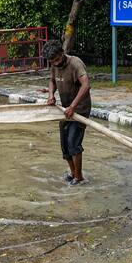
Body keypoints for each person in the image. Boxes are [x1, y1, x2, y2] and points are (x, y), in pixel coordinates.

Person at [44, 39, 91, 186]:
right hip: (64, 110)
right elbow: (52, 81)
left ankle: (79, 178)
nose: (56, 63)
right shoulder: (54, 65)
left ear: (62, 53)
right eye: (53, 61)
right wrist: (51, 95)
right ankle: (73, 174)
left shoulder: (75, 63)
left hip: (79, 110)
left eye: (58, 59)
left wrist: (73, 106)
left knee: (73, 143)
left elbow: (86, 85)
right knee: (64, 145)